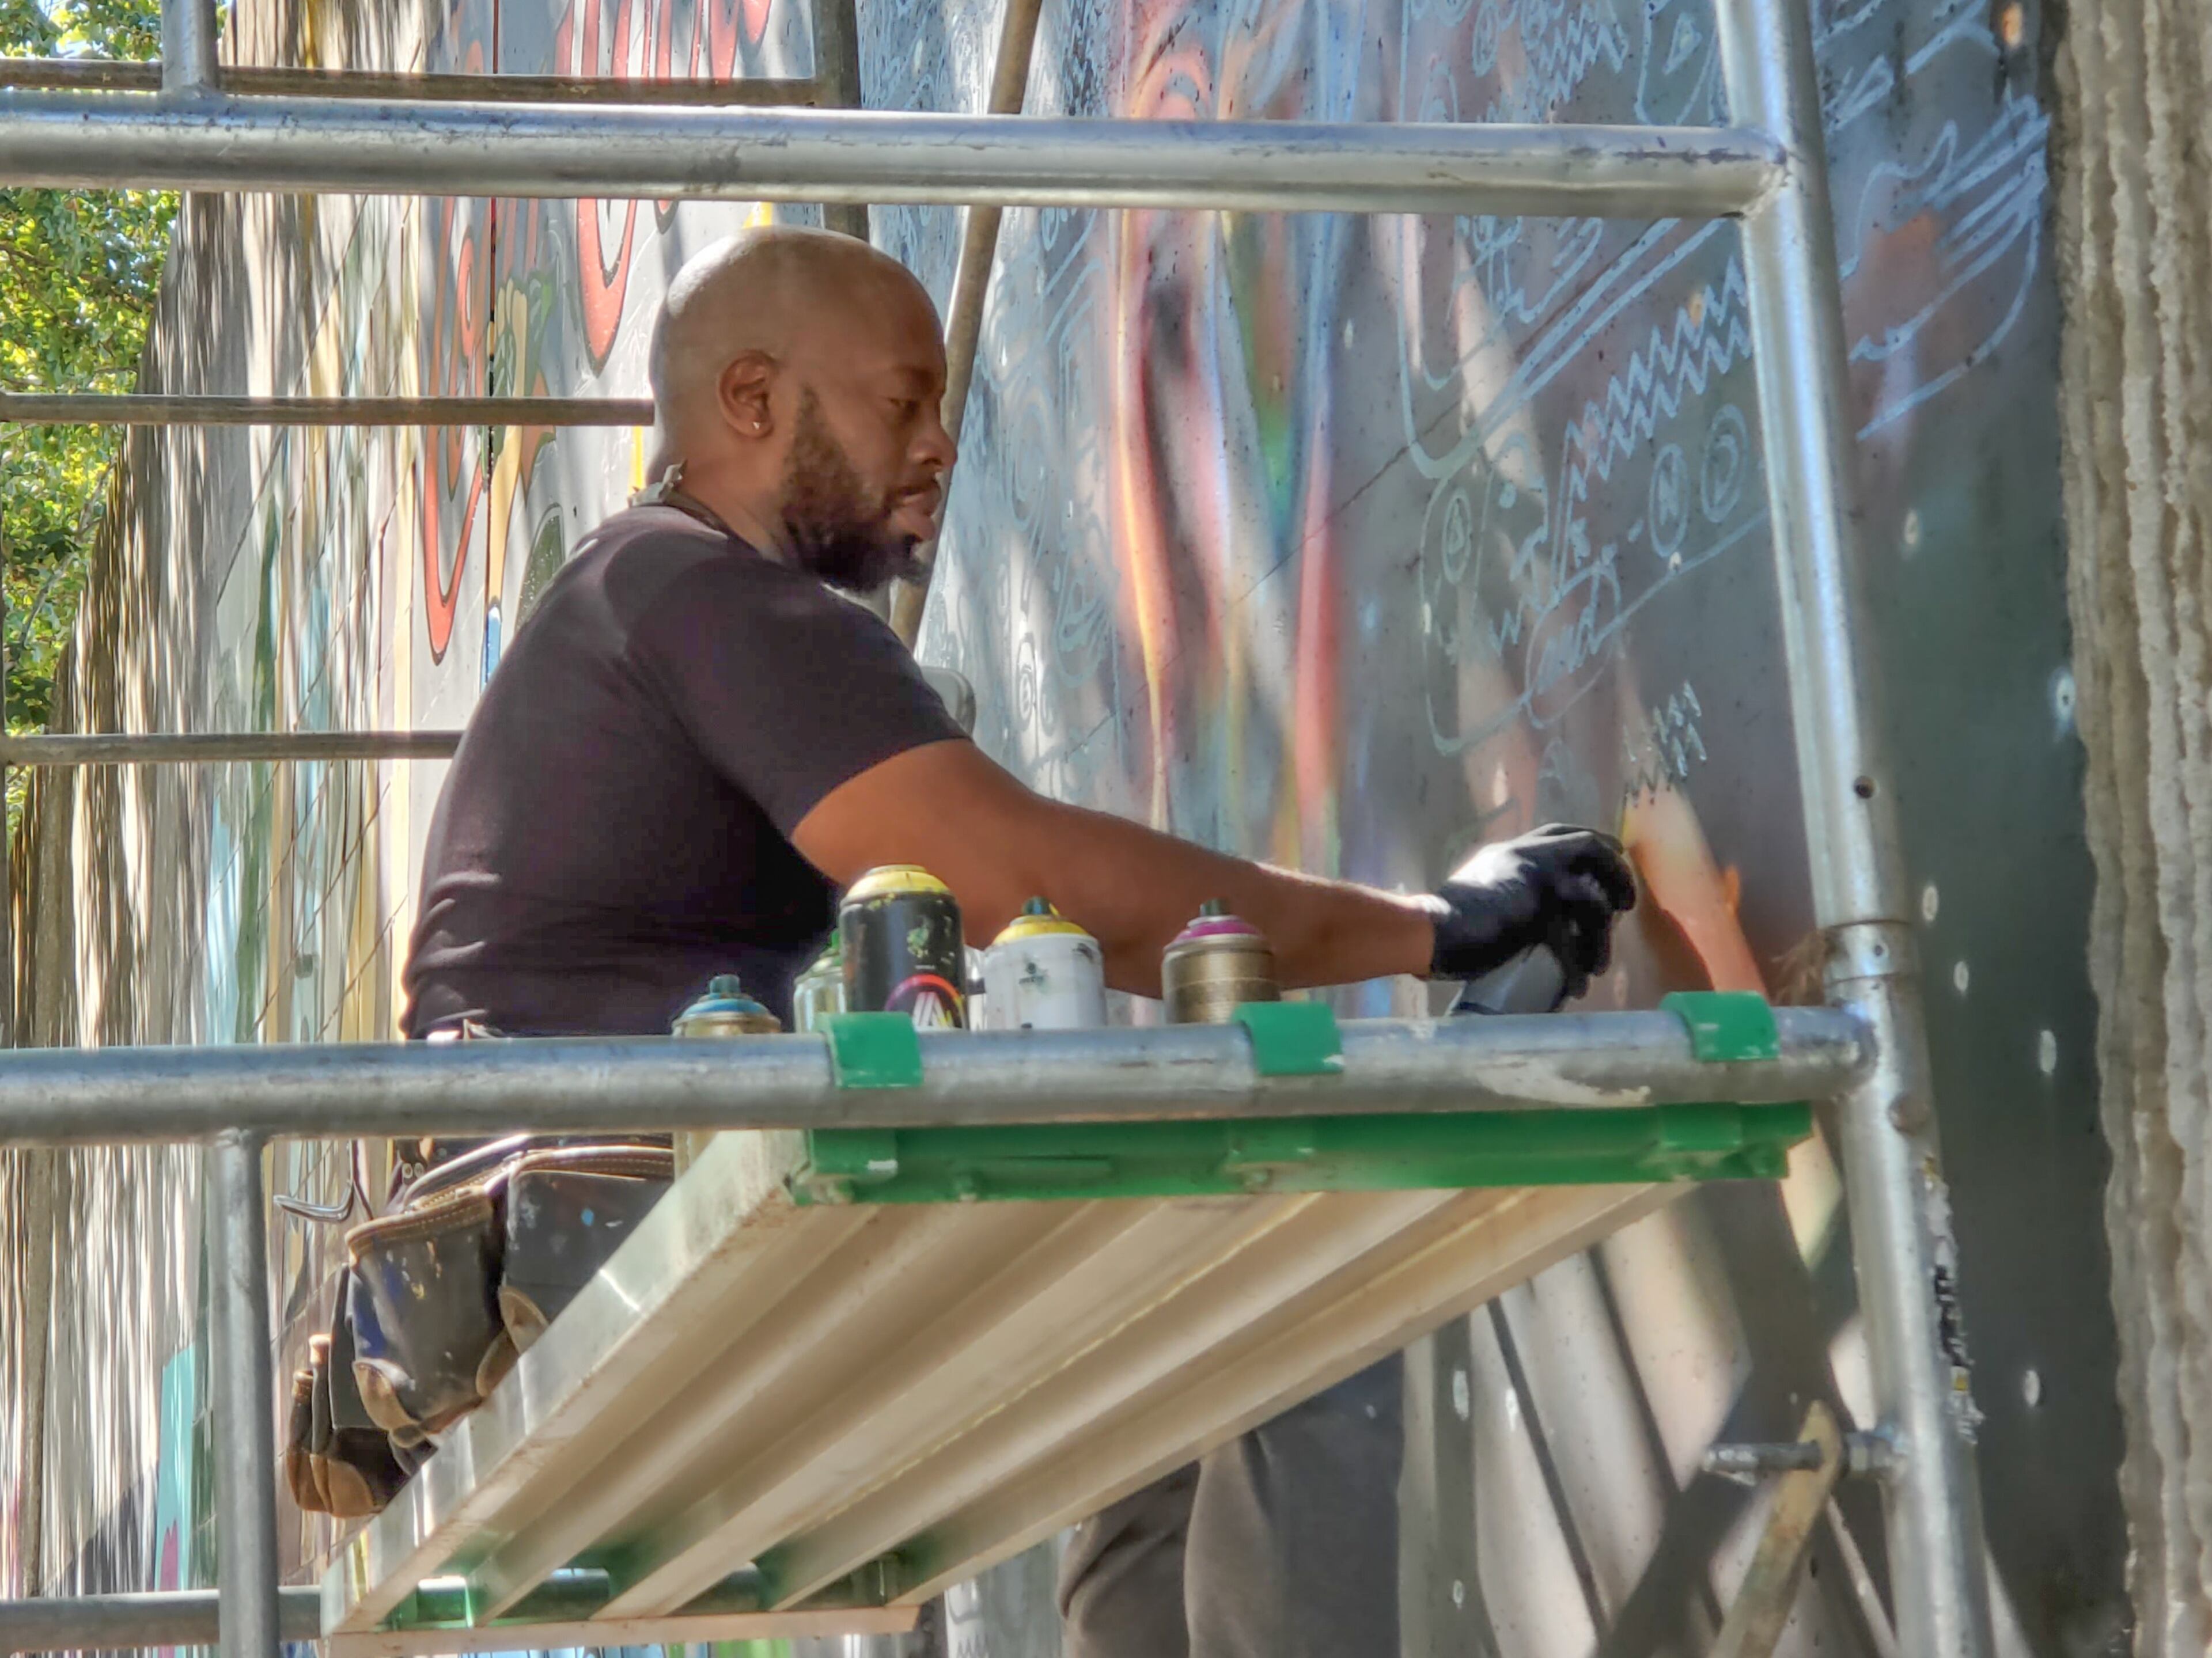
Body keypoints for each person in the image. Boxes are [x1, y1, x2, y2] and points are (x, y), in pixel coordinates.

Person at [400, 226, 1635, 1656]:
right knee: (1298, 1296)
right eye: (900, 402)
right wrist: (1431, 931)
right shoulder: (716, 603)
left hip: (563, 1258)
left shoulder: (638, 592)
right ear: (753, 400)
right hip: (629, 1236)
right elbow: (1030, 881)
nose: (938, 445)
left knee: (1143, 1366)